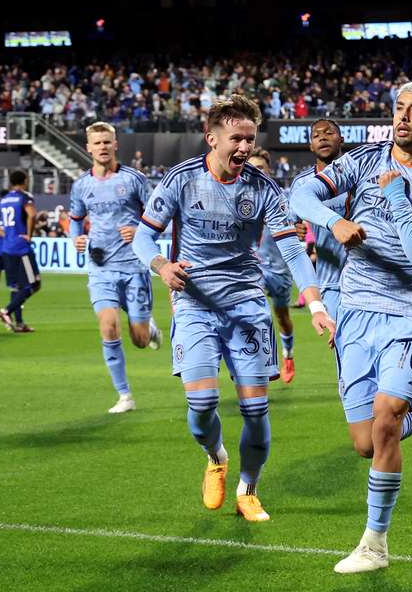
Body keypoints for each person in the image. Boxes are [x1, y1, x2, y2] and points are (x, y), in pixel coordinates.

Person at [291, 80, 412, 574]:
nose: (403, 118)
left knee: (389, 416)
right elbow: (300, 192)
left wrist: (396, 196)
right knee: (366, 443)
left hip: (410, 314)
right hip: (355, 313)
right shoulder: (364, 160)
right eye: (399, 108)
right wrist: (332, 222)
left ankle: (374, 544)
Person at [131, 96, 335, 523]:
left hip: (246, 305)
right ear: (212, 138)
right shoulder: (181, 180)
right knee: (202, 405)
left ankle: (248, 489)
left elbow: (293, 250)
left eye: (250, 138)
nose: (244, 146)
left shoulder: (263, 189)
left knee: (256, 410)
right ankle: (216, 456)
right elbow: (142, 238)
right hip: (194, 304)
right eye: (236, 138)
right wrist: (162, 265)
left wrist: (315, 303)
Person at [69, 121, 163, 414]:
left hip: (134, 266)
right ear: (88, 148)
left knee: (139, 340)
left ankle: (148, 327)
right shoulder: (81, 185)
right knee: (108, 327)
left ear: (115, 144)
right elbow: (74, 219)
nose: (102, 147)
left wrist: (140, 232)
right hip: (101, 267)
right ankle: (125, 396)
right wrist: (77, 238)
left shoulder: (134, 179)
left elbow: (158, 216)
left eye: (107, 142)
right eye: (97, 143)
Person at [246, 147, 297, 383]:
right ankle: (261, 362)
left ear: (269, 171)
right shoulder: (238, 197)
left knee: (281, 316)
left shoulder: (283, 198)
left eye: (261, 168)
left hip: (279, 269)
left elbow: (299, 224)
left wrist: (300, 229)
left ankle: (288, 354)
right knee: (254, 313)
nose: (256, 172)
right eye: (252, 168)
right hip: (253, 268)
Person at [288, 119, 347, 322]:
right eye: (316, 135)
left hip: (366, 281)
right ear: (310, 146)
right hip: (330, 284)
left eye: (329, 133)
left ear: (341, 140)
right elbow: (288, 226)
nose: (322, 137)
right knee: (344, 350)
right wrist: (294, 229)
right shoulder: (302, 183)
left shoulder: (359, 176)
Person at [0, 170, 41, 333]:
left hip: (7, 248)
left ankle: (19, 323)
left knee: (16, 287)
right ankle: (6, 311)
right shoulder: (24, 197)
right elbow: (32, 214)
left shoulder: (4, 200)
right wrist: (29, 235)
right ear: (25, 180)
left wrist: (3, 233)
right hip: (21, 247)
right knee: (34, 284)